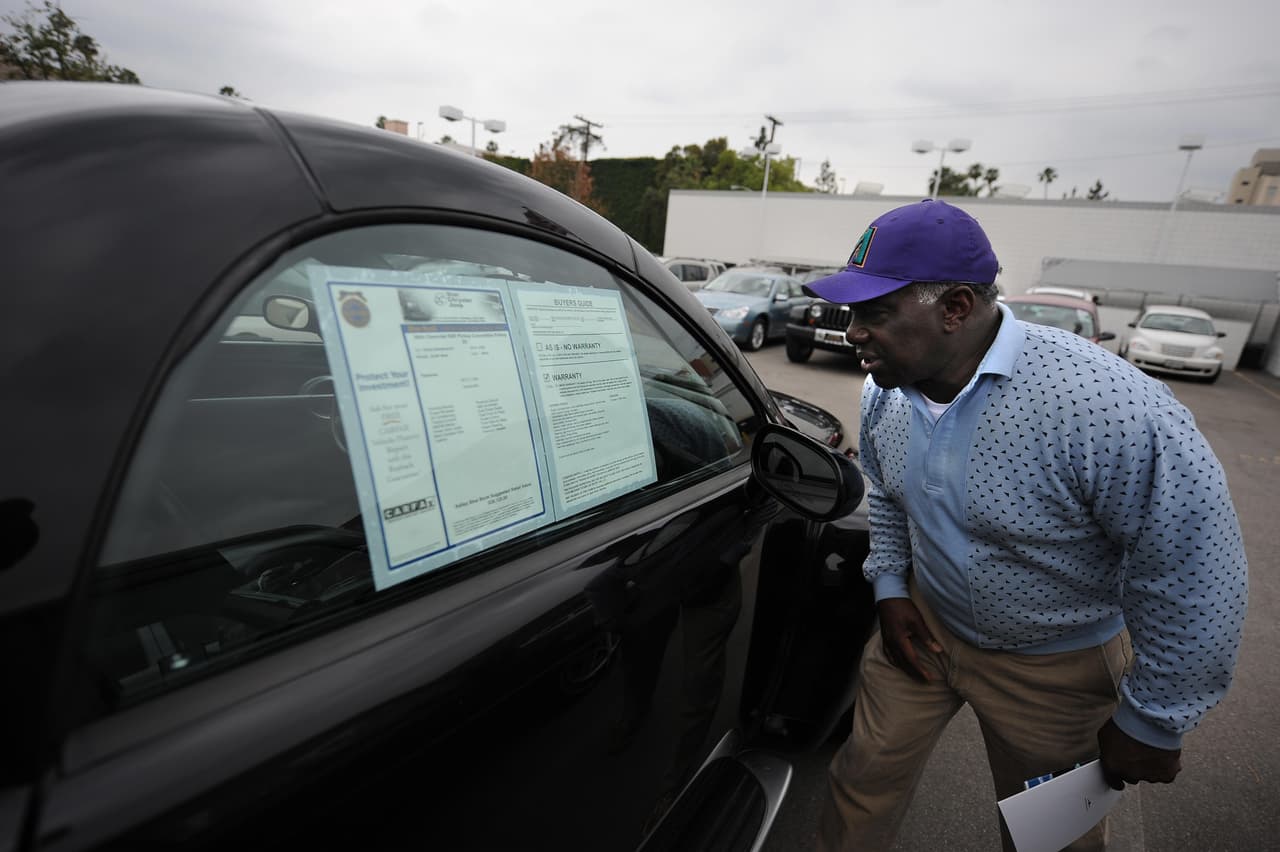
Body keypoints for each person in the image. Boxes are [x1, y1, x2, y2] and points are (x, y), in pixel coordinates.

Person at [801, 199, 1248, 852]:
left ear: (955, 308)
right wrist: (892, 590)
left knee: (1050, 837)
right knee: (860, 782)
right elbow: (890, 496)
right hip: (924, 630)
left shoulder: (1106, 407)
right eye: (850, 314)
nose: (853, 333)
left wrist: (1155, 719)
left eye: (876, 313)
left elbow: (1191, 568)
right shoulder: (883, 392)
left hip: (1056, 668)